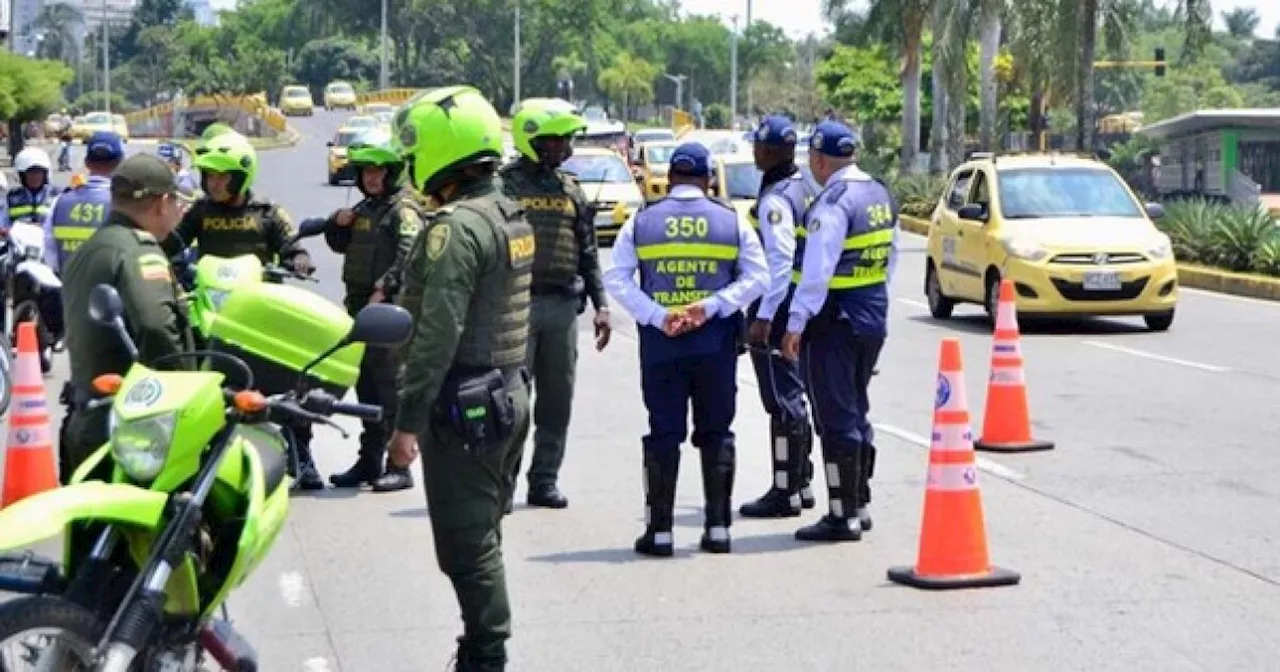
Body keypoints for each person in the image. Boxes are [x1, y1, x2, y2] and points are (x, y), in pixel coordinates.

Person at [383, 85, 534, 672]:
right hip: (506, 393)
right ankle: (478, 647)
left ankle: (486, 653)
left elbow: (436, 333)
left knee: (466, 546)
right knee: (484, 533)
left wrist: (407, 423)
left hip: (465, 404)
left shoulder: (455, 228)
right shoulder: (507, 210)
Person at [603, 142, 768, 556]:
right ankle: (717, 530)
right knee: (716, 431)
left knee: (664, 432)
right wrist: (710, 307)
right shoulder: (731, 221)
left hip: (662, 345)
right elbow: (758, 277)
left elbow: (617, 279)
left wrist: (658, 315)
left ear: (670, 178)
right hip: (714, 343)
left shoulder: (642, 221)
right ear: (708, 179)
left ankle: (659, 532)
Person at [162, 130, 320, 489]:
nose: (214, 183)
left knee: (294, 379)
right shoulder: (200, 211)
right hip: (211, 308)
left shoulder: (267, 213)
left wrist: (299, 261)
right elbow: (172, 243)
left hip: (259, 313)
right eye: (210, 176)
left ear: (242, 176)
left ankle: (303, 456)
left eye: (222, 176)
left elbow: (293, 246)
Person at [781, 120, 897, 542]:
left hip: (834, 320)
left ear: (818, 158)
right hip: (871, 313)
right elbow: (892, 258)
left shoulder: (833, 202)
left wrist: (795, 322)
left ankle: (841, 514)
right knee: (857, 407)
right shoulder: (879, 193)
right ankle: (859, 502)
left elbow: (816, 272)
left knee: (835, 417)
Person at [499, 101, 611, 510]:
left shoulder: (571, 189)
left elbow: (589, 252)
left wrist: (602, 305)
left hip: (563, 307)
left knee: (557, 399)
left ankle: (544, 479)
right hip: (516, 305)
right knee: (513, 400)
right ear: (531, 140)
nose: (562, 147)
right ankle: (504, 482)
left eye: (565, 139)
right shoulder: (504, 187)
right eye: (554, 139)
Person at [60, 154, 193, 482]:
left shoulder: (90, 248)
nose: (180, 212)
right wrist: (187, 392)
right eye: (177, 202)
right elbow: (156, 327)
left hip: (86, 418)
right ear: (162, 203)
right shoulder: (139, 251)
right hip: (132, 431)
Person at [322, 128, 423, 493]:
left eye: (380, 171)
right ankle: (369, 461)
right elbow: (339, 245)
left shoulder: (403, 210)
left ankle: (399, 466)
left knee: (390, 388)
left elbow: (410, 252)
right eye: (366, 171)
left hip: (388, 312)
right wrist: (338, 223)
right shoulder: (364, 209)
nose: (372, 177)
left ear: (393, 172)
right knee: (365, 388)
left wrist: (386, 286)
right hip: (361, 310)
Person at [738, 115, 818, 519]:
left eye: (758, 146)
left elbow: (780, 259)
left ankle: (784, 490)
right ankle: (801, 482)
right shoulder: (801, 186)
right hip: (799, 304)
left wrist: (764, 315)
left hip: (780, 307)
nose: (754, 151)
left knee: (783, 401)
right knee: (795, 395)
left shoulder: (775, 199)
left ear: (770, 151)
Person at [42, 130, 126, 351]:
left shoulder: (62, 200)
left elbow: (49, 251)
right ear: (120, 162)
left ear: (87, 162)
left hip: (72, 297)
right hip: (115, 301)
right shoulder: (123, 202)